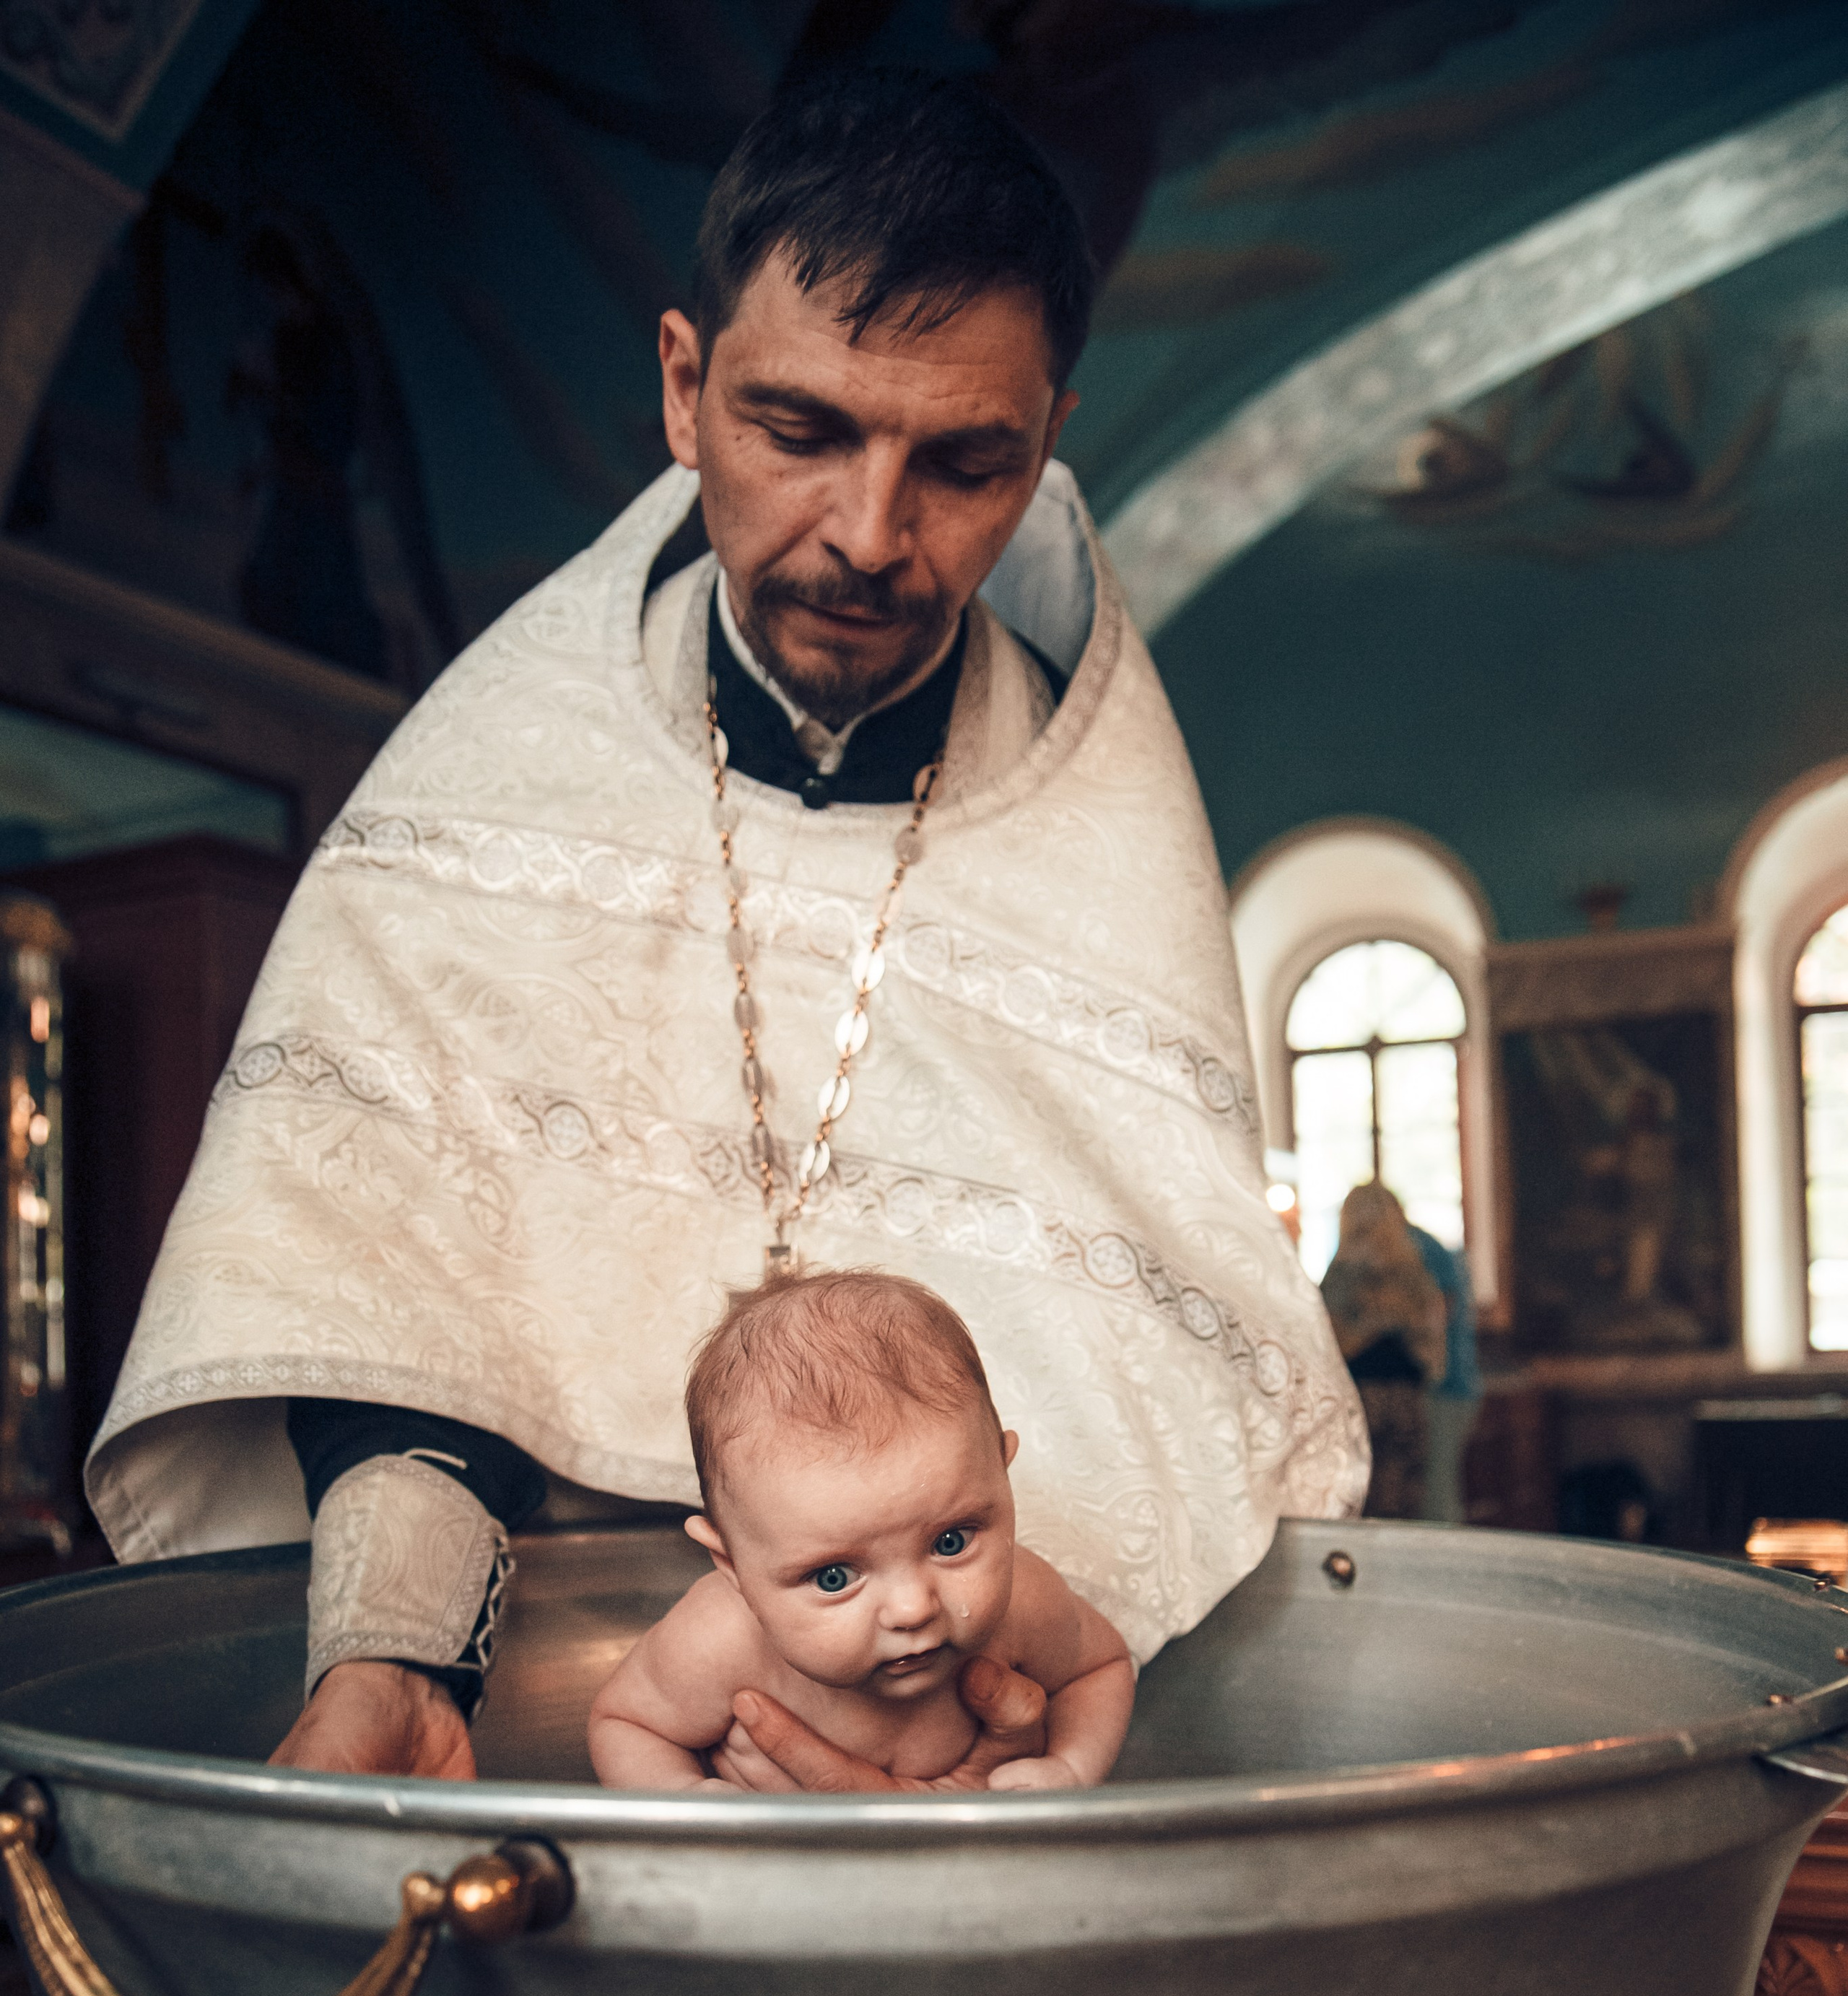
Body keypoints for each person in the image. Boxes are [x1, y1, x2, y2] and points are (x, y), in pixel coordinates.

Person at [85, 67, 1366, 1797]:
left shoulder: (1105, 854)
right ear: (685, 387)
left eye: (962, 464)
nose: (867, 534)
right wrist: (388, 1646)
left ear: (1042, 444)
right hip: (563, 1730)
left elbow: (1150, 1388)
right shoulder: (483, 792)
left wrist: (969, 1701)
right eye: (801, 428)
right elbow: (378, 1278)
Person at [590, 1272, 1134, 1792]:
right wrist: (686, 1798)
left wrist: (1072, 1766)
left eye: (952, 1542)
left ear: (1002, 1472)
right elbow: (627, 1724)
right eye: (833, 1577)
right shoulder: (715, 1645)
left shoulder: (1026, 1604)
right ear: (731, 1565)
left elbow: (1101, 1668)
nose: (911, 1610)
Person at [1320, 1183, 1446, 1521]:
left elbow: (1329, 1344)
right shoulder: (1413, 1273)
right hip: (1407, 1397)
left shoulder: (1342, 1275)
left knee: (1364, 1497)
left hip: (1361, 1397)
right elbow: (1433, 1345)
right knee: (1404, 1501)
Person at [1406, 1221, 1481, 1525]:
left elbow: (1439, 1311)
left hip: (1445, 1388)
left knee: (1437, 1495)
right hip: (1452, 1387)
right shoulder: (1426, 1245)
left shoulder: (1419, 1247)